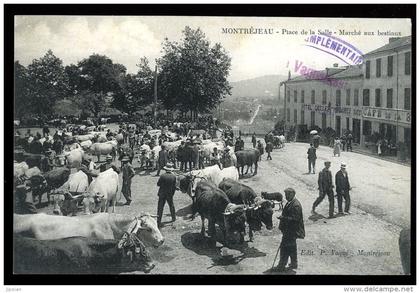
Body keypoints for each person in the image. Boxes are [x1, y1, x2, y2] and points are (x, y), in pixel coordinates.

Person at [275, 188, 305, 272]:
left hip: (291, 231)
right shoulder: (290, 203)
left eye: (287, 194)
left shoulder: (296, 205)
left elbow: (295, 219)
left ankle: (281, 266)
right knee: (292, 247)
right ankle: (294, 263)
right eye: (285, 194)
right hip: (289, 230)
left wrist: (283, 218)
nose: (286, 196)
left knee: (285, 248)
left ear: (293, 194)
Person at [156, 163, 177, 228]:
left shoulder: (162, 176)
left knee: (160, 207)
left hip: (162, 194)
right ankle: (173, 218)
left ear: (165, 169)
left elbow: (158, 184)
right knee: (171, 206)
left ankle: (158, 220)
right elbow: (174, 186)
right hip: (169, 194)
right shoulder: (174, 176)